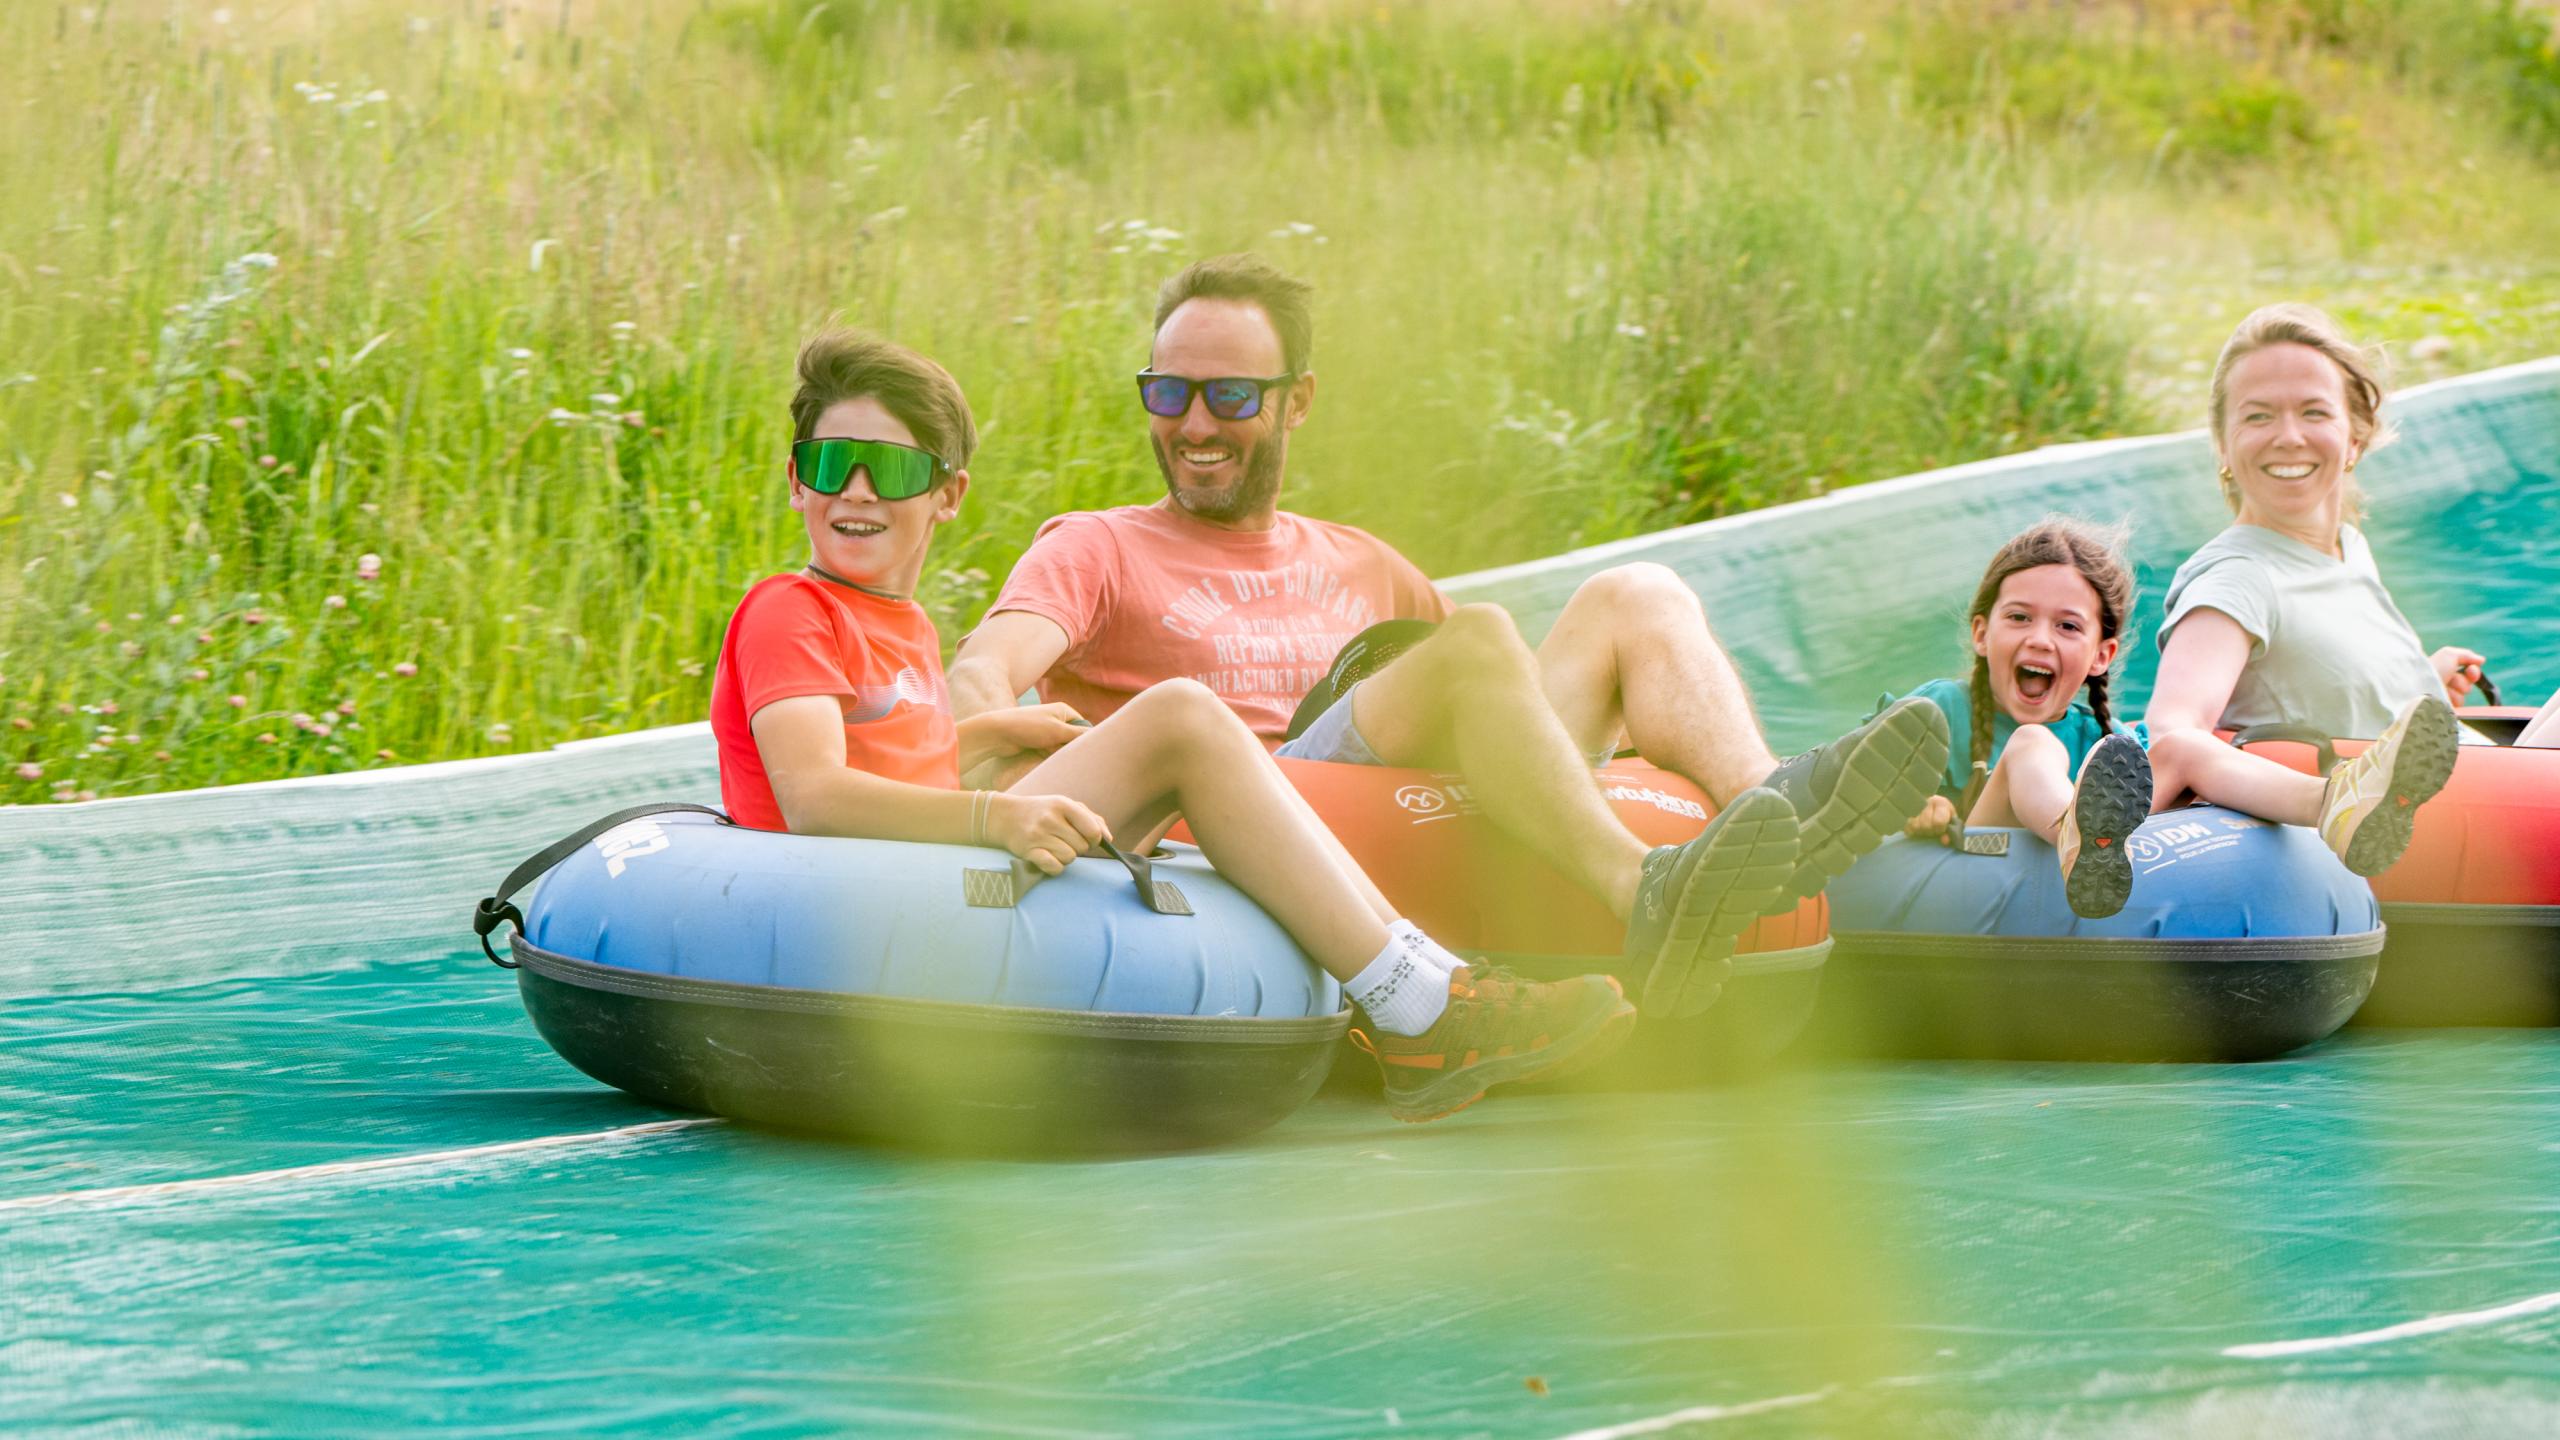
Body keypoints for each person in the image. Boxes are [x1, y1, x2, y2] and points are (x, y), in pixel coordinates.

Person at [947, 254, 1947, 1018]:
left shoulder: (1362, 559)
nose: (1193, 423)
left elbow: (1500, 704)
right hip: (1253, 800)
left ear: (1296, 400)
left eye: (1230, 396)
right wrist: (1010, 734)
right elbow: (983, 670)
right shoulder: (1098, 547)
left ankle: (1779, 816)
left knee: (1635, 594)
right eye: (1167, 393)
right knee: (1473, 640)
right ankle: (1641, 892)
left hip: (1397, 792)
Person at [706, 329, 1653, 1123]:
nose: (858, 492)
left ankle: (1422, 992)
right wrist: (995, 816)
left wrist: (985, 744)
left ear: (946, 496)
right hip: (869, 895)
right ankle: (1422, 1005)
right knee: (1184, 717)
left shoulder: (894, 619)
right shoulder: (794, 610)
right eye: (832, 466)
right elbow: (815, 795)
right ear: (797, 484)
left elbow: (889, 764)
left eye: (894, 469)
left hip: (916, 867)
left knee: (1178, 742)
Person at [2143, 303, 2462, 875]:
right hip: (2401, 847)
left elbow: (2315, 673)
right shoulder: (2237, 577)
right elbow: (2174, 731)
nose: (2288, 437)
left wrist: (2416, 679)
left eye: (2314, 412)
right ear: (2222, 444)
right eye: (2259, 417)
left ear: (2355, 438)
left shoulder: (2345, 549)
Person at [1895, 520, 2155, 919]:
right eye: (2019, 618)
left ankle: (2291, 806)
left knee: (2183, 747)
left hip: (2051, 906)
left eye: (2067, 626)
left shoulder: (2107, 743)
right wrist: (1913, 805)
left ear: (2100, 655)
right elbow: (1858, 792)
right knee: (2031, 744)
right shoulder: (1936, 712)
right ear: (1982, 634)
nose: (2039, 639)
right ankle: (2079, 841)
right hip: (1965, 879)